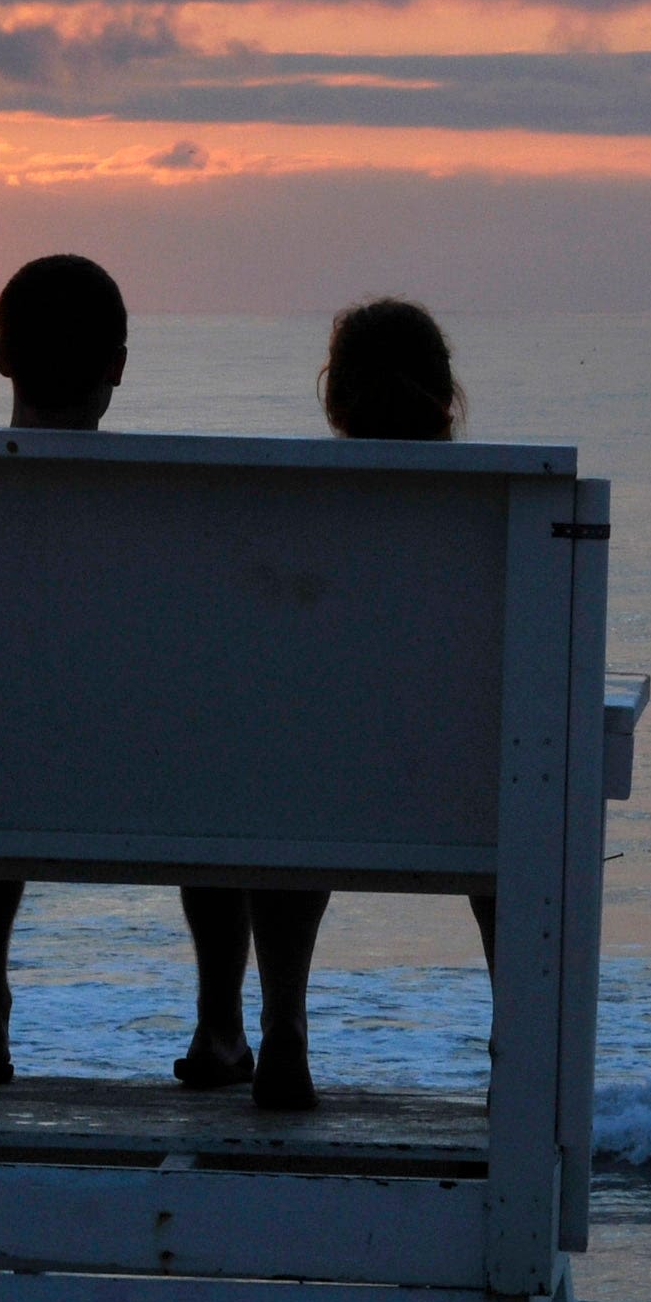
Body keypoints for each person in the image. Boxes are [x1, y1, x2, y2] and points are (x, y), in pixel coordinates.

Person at [191, 295, 471, 1111]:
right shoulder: (493, 510)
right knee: (505, 778)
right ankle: (509, 1049)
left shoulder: (296, 508)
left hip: (311, 790)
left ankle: (277, 1026)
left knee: (279, 761)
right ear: (447, 399)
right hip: (466, 797)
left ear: (333, 400)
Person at [0, 253, 129, 1085]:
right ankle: (223, 1025)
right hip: (168, 781)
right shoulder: (176, 505)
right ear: (117, 365)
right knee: (220, 740)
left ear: (1, 356)